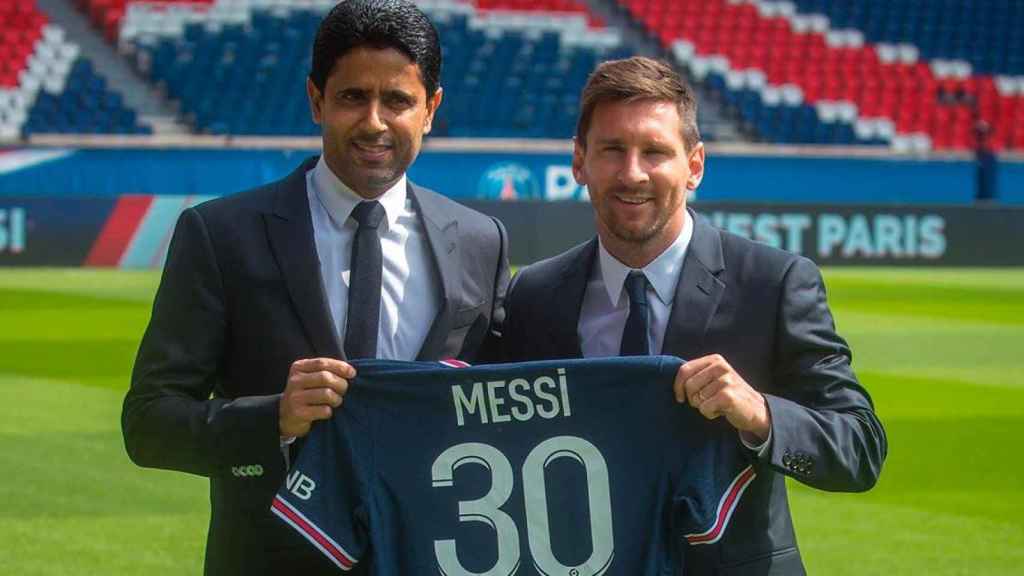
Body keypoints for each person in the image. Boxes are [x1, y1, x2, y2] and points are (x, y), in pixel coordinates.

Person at [121, 1, 509, 574]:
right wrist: (273, 417)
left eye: (398, 100)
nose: (375, 121)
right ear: (316, 100)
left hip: (435, 557)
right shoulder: (222, 235)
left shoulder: (481, 241)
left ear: (431, 109)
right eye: (354, 97)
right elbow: (148, 424)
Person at [495, 56, 886, 575]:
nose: (632, 173)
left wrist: (761, 415)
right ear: (580, 161)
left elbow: (860, 448)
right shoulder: (534, 295)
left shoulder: (774, 283)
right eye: (612, 150)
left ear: (694, 165)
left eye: (655, 151)